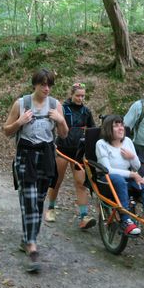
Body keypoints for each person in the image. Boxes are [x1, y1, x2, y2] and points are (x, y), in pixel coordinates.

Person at [3, 69, 68, 273]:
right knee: (28, 200)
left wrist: (60, 120)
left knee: (38, 201)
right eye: (42, 84)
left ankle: (26, 239)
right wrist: (19, 122)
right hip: (26, 155)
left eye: (49, 85)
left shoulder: (55, 105)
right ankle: (32, 246)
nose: (46, 88)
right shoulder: (21, 104)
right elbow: (6, 131)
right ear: (35, 85)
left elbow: (64, 134)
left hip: (46, 156)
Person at [95, 115, 144, 238]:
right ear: (108, 128)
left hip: (127, 177)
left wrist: (132, 157)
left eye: (122, 125)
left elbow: (136, 166)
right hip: (107, 179)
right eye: (116, 125)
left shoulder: (128, 142)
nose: (121, 128)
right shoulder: (101, 144)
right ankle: (126, 220)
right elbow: (108, 170)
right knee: (120, 180)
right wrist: (132, 174)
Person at [45, 82, 96, 229]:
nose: (80, 98)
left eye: (83, 96)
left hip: (79, 151)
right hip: (62, 149)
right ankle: (51, 208)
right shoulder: (63, 108)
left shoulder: (86, 111)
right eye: (78, 95)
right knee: (57, 181)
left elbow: (92, 129)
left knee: (81, 183)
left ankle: (84, 216)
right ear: (71, 95)